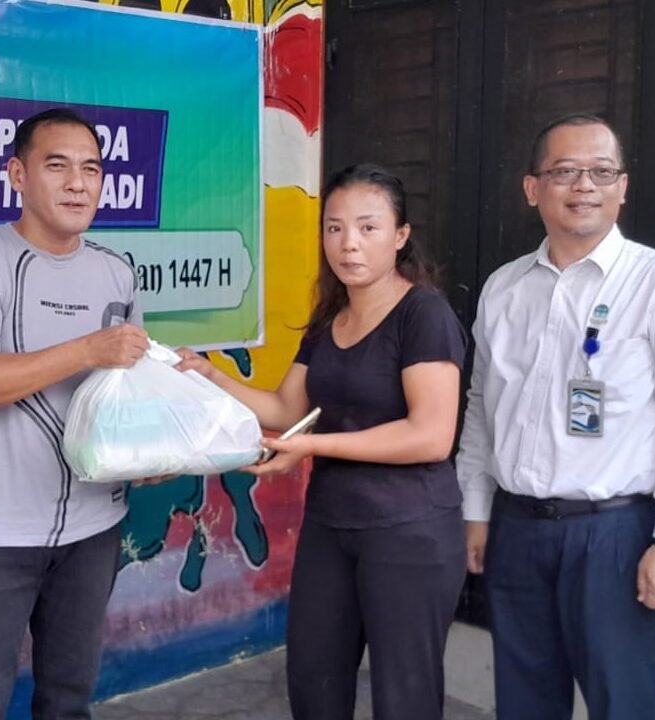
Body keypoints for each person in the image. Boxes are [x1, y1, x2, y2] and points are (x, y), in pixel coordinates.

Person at [455, 113, 655, 720]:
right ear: (533, 188)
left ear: (622, 187)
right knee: (524, 701)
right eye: (565, 172)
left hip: (613, 535)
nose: (584, 186)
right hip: (517, 528)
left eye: (602, 172)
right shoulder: (504, 288)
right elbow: (481, 405)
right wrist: (475, 509)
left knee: (623, 702)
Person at [178, 164, 469, 719]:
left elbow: (431, 436)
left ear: (401, 236)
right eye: (334, 228)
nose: (348, 243)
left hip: (409, 531)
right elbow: (287, 410)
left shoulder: (423, 315)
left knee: (404, 699)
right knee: (314, 683)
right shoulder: (330, 318)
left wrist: (313, 447)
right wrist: (211, 375)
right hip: (331, 525)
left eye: (367, 227)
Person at [0, 108, 148, 720]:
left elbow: (125, 397)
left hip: (94, 526)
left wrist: (156, 448)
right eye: (58, 166)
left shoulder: (117, 272)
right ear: (18, 175)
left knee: (69, 701)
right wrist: (86, 350)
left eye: (91, 169)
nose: (78, 184)